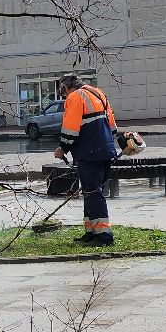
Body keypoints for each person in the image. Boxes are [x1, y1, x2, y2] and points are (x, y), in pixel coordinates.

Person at [52, 73, 118, 245]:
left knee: (93, 192)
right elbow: (112, 126)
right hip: (105, 151)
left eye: (63, 92)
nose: (64, 95)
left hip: (89, 153)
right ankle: (91, 232)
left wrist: (62, 149)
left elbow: (71, 129)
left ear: (66, 87)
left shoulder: (75, 97)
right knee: (92, 192)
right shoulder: (98, 93)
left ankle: (104, 236)